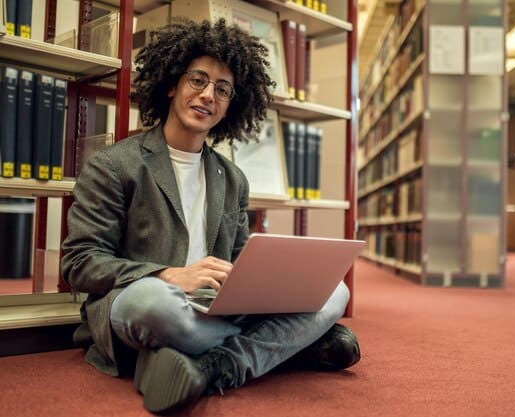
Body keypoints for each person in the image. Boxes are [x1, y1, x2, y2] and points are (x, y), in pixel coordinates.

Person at [62, 18, 360, 414]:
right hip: (154, 302)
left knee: (336, 292)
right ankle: (285, 347)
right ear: (172, 84)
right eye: (197, 80)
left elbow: (237, 260)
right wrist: (168, 275)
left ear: (230, 105)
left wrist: (260, 281)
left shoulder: (232, 179)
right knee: (152, 304)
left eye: (222, 89)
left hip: (215, 306)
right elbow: (80, 262)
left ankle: (214, 366)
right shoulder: (114, 165)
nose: (207, 95)